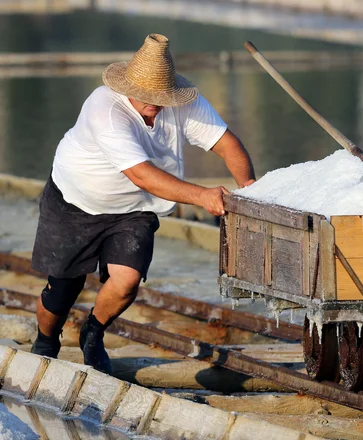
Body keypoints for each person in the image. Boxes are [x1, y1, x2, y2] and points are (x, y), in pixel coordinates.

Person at [30, 33, 256, 373]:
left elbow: (227, 144)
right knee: (63, 289)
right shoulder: (104, 109)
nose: (155, 102)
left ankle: (93, 331)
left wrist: (249, 188)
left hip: (135, 209)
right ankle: (46, 340)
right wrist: (202, 196)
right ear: (127, 87)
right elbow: (143, 175)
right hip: (76, 201)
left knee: (128, 280)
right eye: (147, 95)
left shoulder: (183, 103)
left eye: (161, 95)